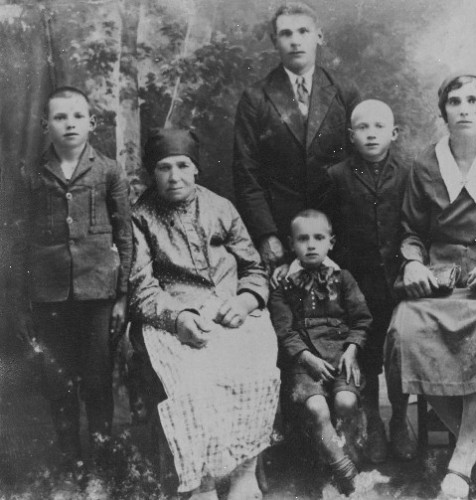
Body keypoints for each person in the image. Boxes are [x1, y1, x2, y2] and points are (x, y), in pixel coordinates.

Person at [384, 74, 476, 499]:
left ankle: (460, 464)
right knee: (406, 335)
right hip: (439, 278)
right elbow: (411, 230)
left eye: (473, 100)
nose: (464, 108)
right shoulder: (426, 165)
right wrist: (413, 263)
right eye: (454, 101)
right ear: (443, 111)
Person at [129, 129, 280, 500]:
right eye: (164, 168)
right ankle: (203, 482)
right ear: (153, 173)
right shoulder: (141, 216)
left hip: (232, 309)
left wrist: (245, 301)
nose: (174, 176)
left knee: (256, 362)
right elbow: (141, 286)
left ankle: (245, 470)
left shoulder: (221, 207)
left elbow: (254, 268)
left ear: (196, 169)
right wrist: (177, 318)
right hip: (175, 317)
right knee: (195, 382)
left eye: (183, 165)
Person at [12, 86, 132, 472]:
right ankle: (71, 463)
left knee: (98, 382)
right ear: (46, 125)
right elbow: (18, 242)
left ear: (92, 123)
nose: (69, 124)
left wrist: (122, 297)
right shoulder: (32, 175)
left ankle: (102, 465)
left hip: (98, 294)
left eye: (77, 116)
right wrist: (23, 302)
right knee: (58, 382)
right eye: (60, 117)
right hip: (48, 297)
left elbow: (124, 235)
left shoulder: (109, 170)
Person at [232, 1, 360, 270]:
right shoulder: (256, 98)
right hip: (282, 233)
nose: (295, 41)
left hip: (338, 230)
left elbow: (359, 162)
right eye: (286, 34)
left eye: (303, 31)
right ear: (274, 41)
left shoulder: (344, 92)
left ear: (319, 36)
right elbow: (246, 173)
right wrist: (266, 235)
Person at [325, 99, 414, 463]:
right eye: (363, 127)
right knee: (367, 355)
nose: (371, 134)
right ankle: (373, 423)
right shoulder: (336, 176)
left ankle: (399, 420)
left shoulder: (408, 172)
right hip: (356, 283)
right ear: (351, 135)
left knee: (397, 356)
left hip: (396, 282)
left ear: (393, 133)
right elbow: (326, 230)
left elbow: (414, 224)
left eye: (379, 127)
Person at [268, 209, 372, 496]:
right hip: (304, 362)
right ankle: (344, 471)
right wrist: (306, 358)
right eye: (303, 239)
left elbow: (362, 319)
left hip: (340, 357)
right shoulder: (284, 286)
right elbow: (284, 331)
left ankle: (348, 448)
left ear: (331, 242)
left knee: (346, 401)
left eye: (318, 237)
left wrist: (351, 350)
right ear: (291, 244)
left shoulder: (343, 278)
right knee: (316, 407)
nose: (311, 245)